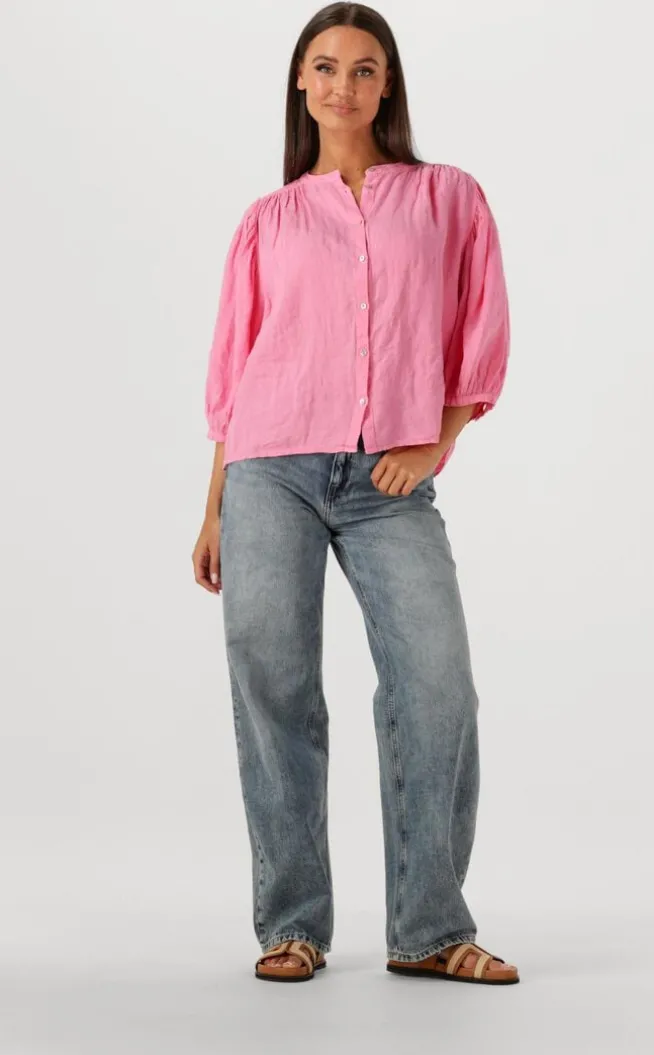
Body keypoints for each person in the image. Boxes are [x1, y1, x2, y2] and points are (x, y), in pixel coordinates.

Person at [192, 1, 519, 987]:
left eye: (364, 68)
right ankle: (292, 922)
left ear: (388, 86)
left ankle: (429, 926)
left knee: (437, 683)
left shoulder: (448, 198)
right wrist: (213, 507)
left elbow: (479, 330)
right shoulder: (268, 220)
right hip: (268, 471)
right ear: (302, 82)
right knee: (274, 683)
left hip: (389, 481)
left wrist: (436, 441)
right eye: (326, 66)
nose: (344, 84)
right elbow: (236, 371)